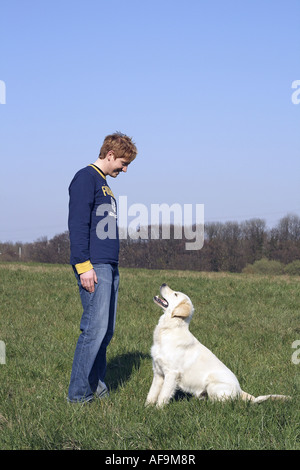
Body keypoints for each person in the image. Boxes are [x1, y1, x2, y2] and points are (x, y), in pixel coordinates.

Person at [67, 132, 137, 403]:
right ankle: (78, 397)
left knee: (105, 332)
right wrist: (84, 266)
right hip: (93, 266)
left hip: (109, 266)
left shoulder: (103, 183)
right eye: (123, 162)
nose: (125, 168)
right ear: (110, 155)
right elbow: (77, 224)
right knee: (93, 330)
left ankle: (97, 389)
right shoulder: (86, 177)